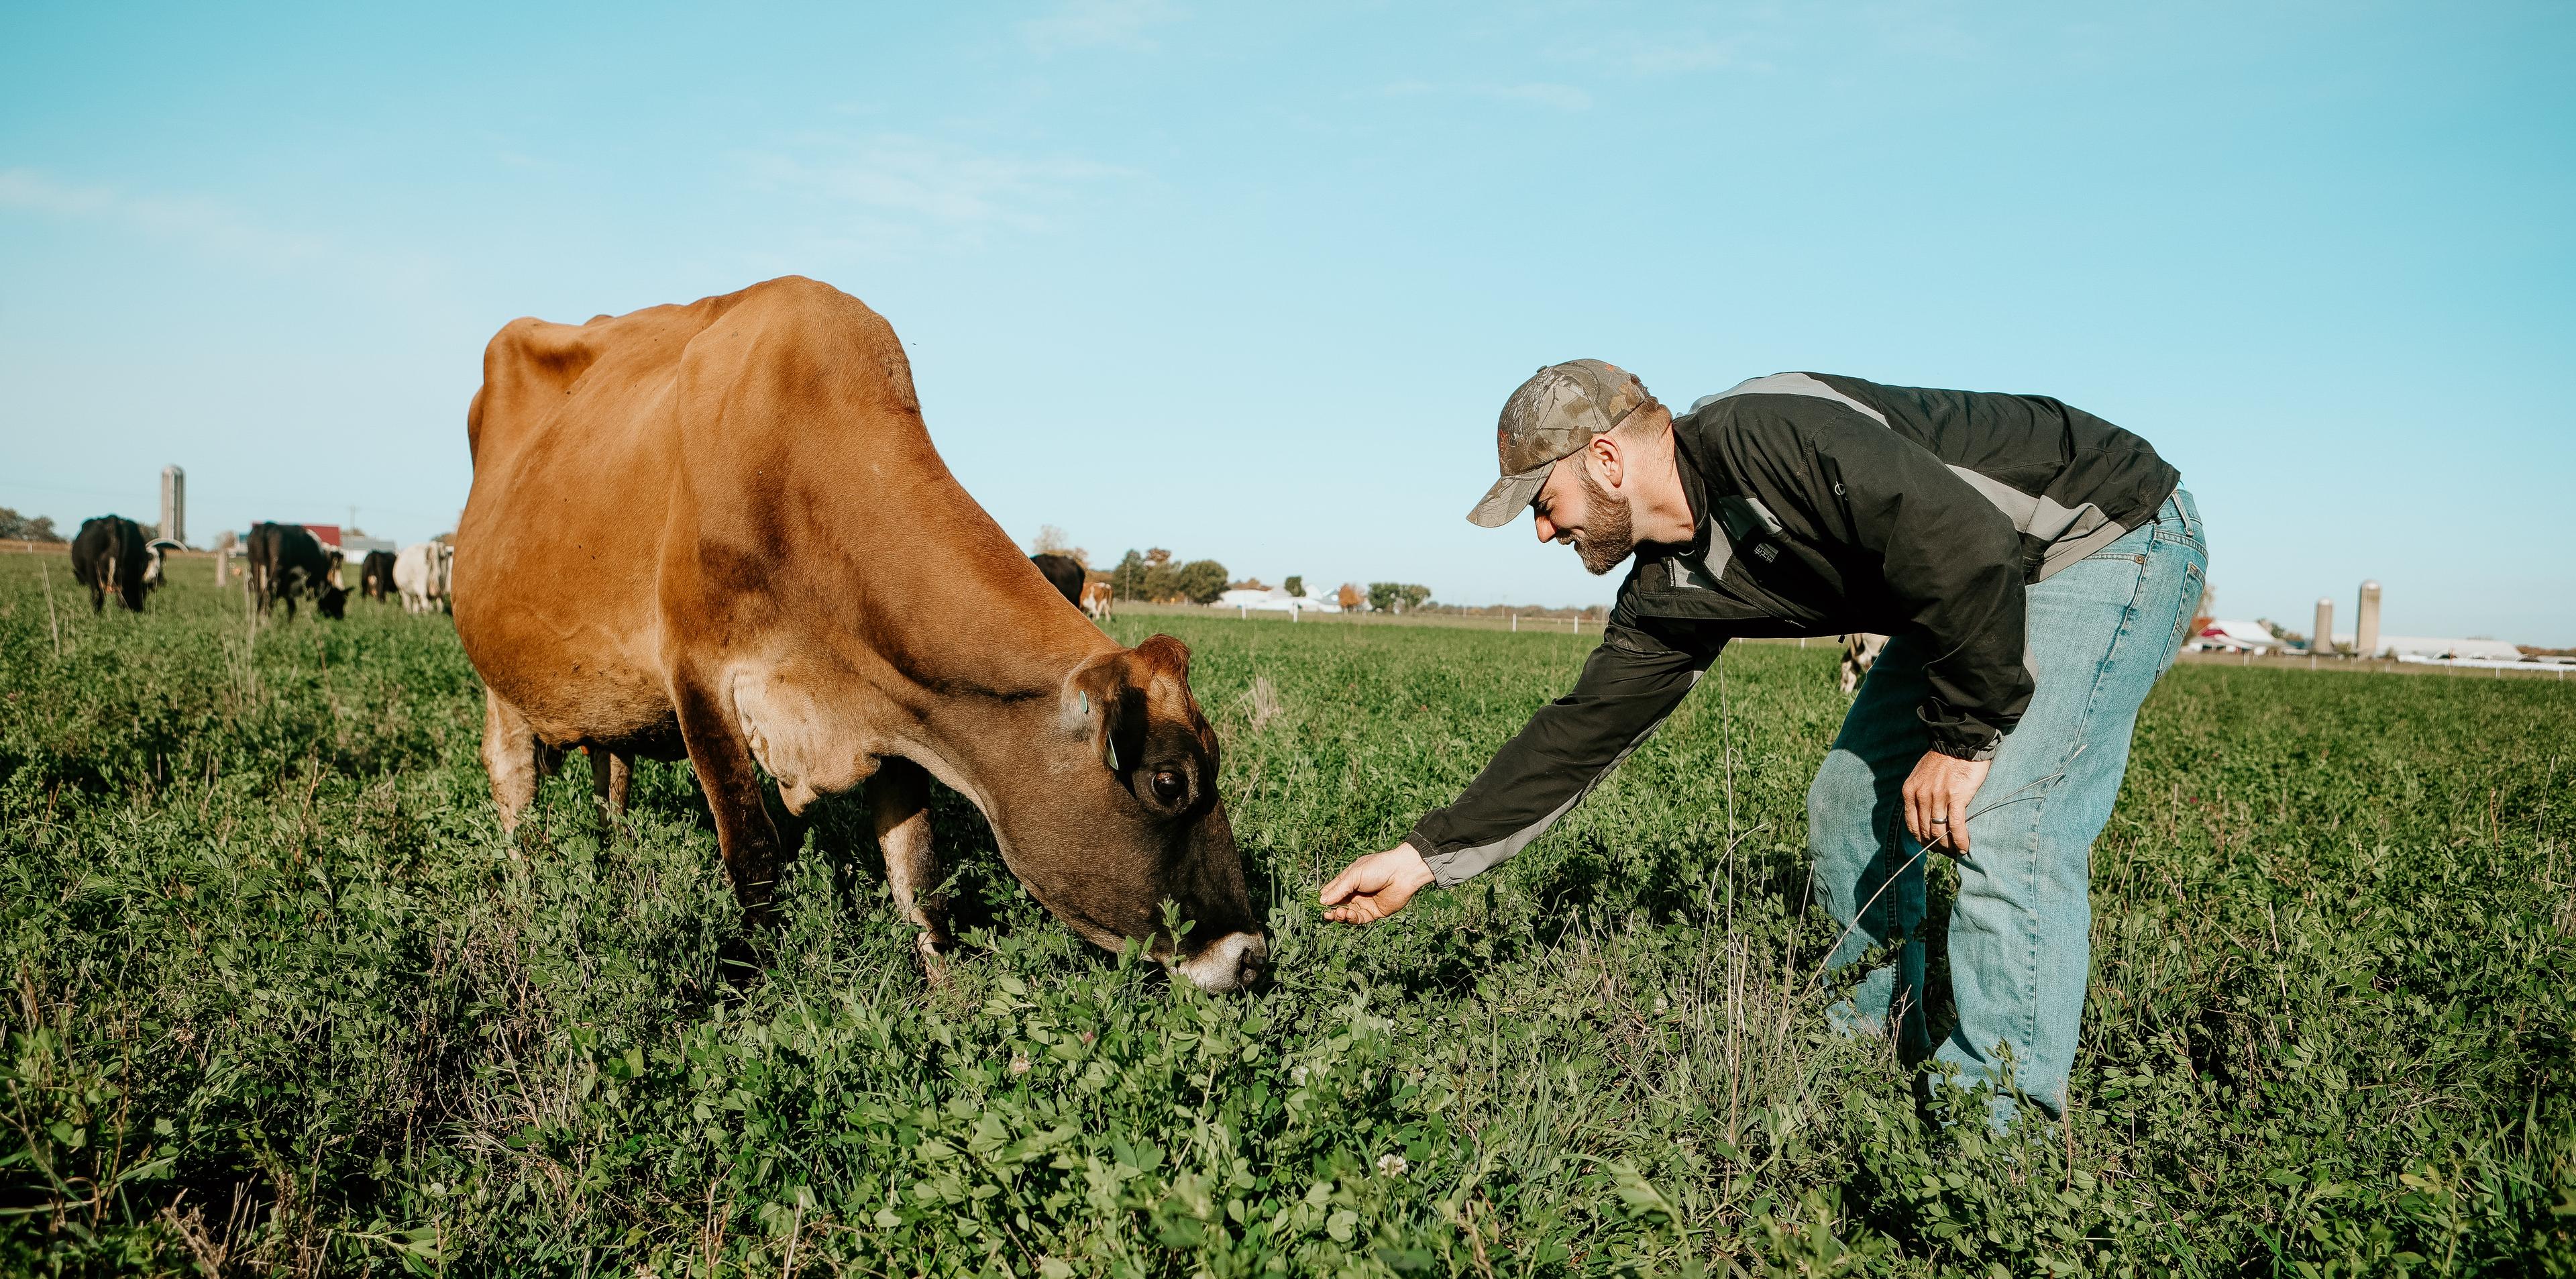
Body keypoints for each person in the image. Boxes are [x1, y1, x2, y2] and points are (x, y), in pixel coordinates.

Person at [1319, 361, 2205, 1130]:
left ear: (1604, 459)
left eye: (1543, 505)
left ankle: (1994, 1141)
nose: (1544, 531)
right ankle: (1869, 1054)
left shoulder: (1771, 433)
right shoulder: (1670, 586)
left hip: (2101, 535)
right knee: (1847, 802)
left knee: (2012, 822)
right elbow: (1578, 734)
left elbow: (1966, 538)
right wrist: (1424, 856)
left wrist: (1965, 737)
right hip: (1975, 583)